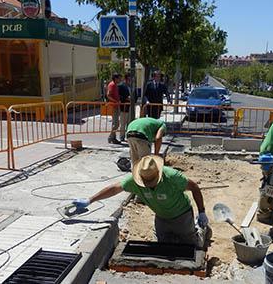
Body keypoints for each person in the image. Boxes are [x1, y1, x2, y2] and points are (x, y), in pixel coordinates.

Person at [72, 155, 210, 248]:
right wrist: (89, 200)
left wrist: (202, 212)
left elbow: (194, 187)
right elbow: (114, 189)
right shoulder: (135, 180)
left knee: (192, 246)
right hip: (161, 217)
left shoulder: (172, 176)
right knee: (164, 247)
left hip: (181, 215)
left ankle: (202, 230)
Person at [107, 73, 122, 144]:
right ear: (115, 78)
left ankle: (113, 137)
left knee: (116, 123)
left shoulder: (115, 85)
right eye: (119, 78)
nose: (120, 80)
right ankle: (111, 137)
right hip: (114, 106)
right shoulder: (112, 85)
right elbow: (108, 95)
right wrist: (116, 101)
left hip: (116, 106)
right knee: (116, 124)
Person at [118, 73, 132, 142]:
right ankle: (122, 137)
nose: (130, 81)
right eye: (129, 79)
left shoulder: (131, 86)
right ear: (126, 79)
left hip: (130, 107)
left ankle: (128, 136)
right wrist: (126, 98)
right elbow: (119, 96)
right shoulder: (121, 86)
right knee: (123, 123)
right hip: (123, 107)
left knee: (129, 123)